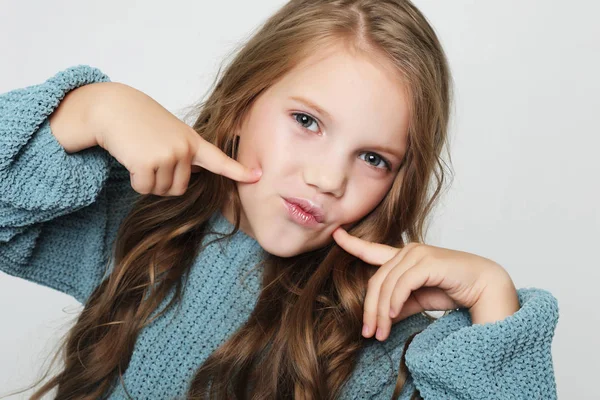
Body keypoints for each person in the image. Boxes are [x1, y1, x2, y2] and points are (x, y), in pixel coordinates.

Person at [0, 0, 559, 399]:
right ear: (242, 105)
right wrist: (89, 109)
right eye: (307, 121)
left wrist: (492, 300)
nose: (326, 178)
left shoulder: (375, 337)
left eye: (373, 159)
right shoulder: (139, 223)